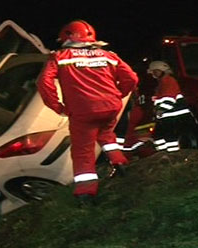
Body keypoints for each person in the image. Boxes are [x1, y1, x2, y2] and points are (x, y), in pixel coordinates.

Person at [36, 20, 138, 205]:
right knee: (107, 134)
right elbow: (131, 78)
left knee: (83, 151)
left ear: (66, 38)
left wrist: (57, 106)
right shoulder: (109, 55)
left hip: (83, 111)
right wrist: (119, 95)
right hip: (110, 107)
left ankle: (86, 192)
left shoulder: (60, 57)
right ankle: (120, 163)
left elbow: (44, 83)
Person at [147, 60, 197, 153]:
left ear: (160, 71)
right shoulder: (163, 82)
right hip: (169, 116)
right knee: (158, 136)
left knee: (169, 138)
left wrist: (160, 110)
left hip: (175, 117)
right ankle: (165, 154)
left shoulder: (168, 81)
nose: (153, 74)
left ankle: (172, 155)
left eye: (155, 71)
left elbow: (169, 99)